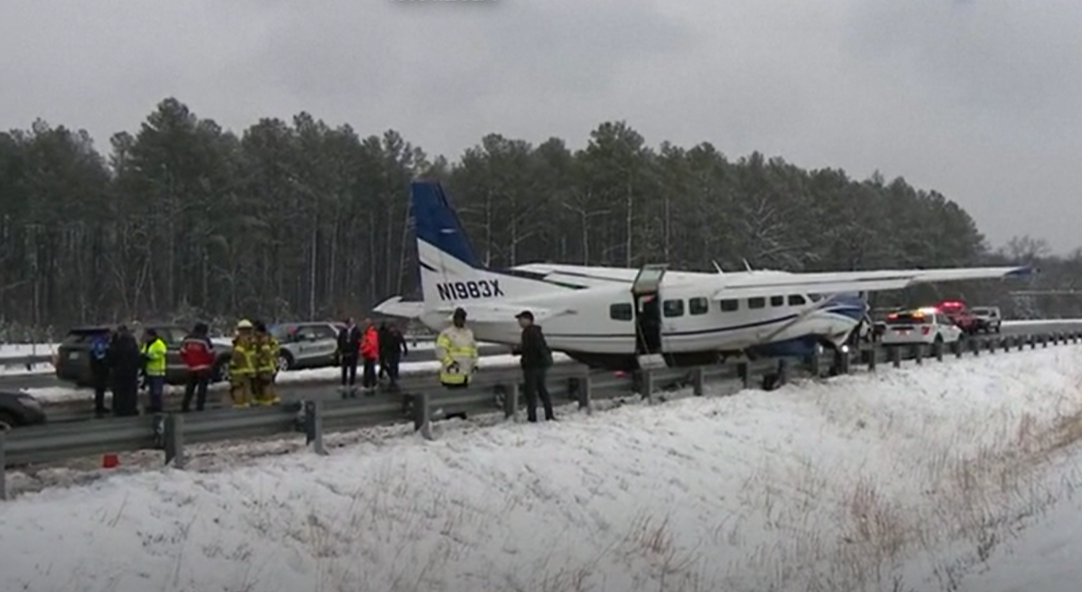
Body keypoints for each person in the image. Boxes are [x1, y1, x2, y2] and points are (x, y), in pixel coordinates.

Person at [514, 310, 555, 422]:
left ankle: (532, 417)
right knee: (542, 390)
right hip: (539, 365)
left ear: (528, 320)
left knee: (531, 392)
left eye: (521, 319)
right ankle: (549, 414)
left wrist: (521, 355)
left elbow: (531, 349)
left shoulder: (528, 332)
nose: (519, 322)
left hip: (532, 366)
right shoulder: (535, 331)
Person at [435, 308, 478, 389]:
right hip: (450, 377)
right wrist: (449, 363)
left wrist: (475, 364)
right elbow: (440, 351)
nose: (459, 321)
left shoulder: (469, 333)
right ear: (454, 319)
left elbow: (473, 350)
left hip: (465, 378)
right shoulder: (447, 334)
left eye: (461, 318)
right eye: (457, 318)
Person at [106, 325, 142, 417]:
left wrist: (110, 365)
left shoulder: (116, 343)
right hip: (130, 370)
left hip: (119, 370)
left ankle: (120, 408)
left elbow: (111, 356)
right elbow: (136, 356)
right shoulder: (132, 342)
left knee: (119, 391)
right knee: (130, 391)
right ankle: (130, 408)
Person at [179, 322, 215, 412]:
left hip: (191, 367)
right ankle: (200, 406)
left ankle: (185, 406)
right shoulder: (205, 340)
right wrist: (209, 363)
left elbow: (182, 352)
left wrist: (188, 361)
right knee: (202, 389)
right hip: (203, 367)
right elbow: (211, 353)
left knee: (189, 389)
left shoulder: (187, 339)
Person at [252, 320, 280, 405]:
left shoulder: (264, 339)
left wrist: (261, 357)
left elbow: (273, 351)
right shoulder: (267, 338)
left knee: (265, 383)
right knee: (267, 383)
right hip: (268, 365)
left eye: (254, 330)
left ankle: (267, 399)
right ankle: (271, 398)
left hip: (266, 365)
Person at [229, 319, 256, 408]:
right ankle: (248, 401)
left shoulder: (241, 341)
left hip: (239, 368)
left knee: (238, 387)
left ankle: (239, 403)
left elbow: (238, 354)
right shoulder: (252, 340)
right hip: (249, 368)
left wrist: (232, 363)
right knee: (247, 386)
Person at [140, 328, 168, 413]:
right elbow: (143, 352)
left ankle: (158, 406)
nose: (145, 337)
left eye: (147, 335)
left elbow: (160, 354)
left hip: (158, 371)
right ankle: (153, 405)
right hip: (150, 370)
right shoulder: (147, 344)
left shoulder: (159, 343)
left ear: (151, 335)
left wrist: (149, 356)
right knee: (152, 391)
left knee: (157, 391)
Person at [89, 329, 112, 417]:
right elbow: (100, 356)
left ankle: (99, 405)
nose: (109, 336)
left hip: (98, 368)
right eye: (108, 334)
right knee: (100, 388)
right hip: (100, 369)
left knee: (100, 389)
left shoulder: (97, 342)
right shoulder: (100, 343)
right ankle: (99, 406)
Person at [336, 318, 361, 390]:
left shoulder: (356, 331)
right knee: (344, 369)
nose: (349, 324)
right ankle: (343, 383)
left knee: (352, 368)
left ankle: (352, 383)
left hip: (353, 352)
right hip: (345, 352)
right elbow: (339, 340)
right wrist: (340, 349)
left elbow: (359, 341)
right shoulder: (343, 331)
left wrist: (357, 350)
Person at [382, 322, 409, 390]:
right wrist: (383, 351)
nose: (392, 329)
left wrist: (405, 349)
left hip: (396, 351)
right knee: (391, 365)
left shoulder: (397, 333)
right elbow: (384, 343)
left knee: (395, 364)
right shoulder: (387, 334)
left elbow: (402, 341)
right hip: (389, 352)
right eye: (391, 328)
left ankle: (394, 376)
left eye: (393, 328)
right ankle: (392, 377)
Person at [360, 318, 380, 394]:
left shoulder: (372, 333)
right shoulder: (367, 332)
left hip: (370, 353)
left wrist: (364, 350)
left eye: (367, 323)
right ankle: (373, 383)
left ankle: (367, 385)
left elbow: (372, 344)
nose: (365, 324)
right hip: (368, 353)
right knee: (370, 370)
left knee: (368, 370)